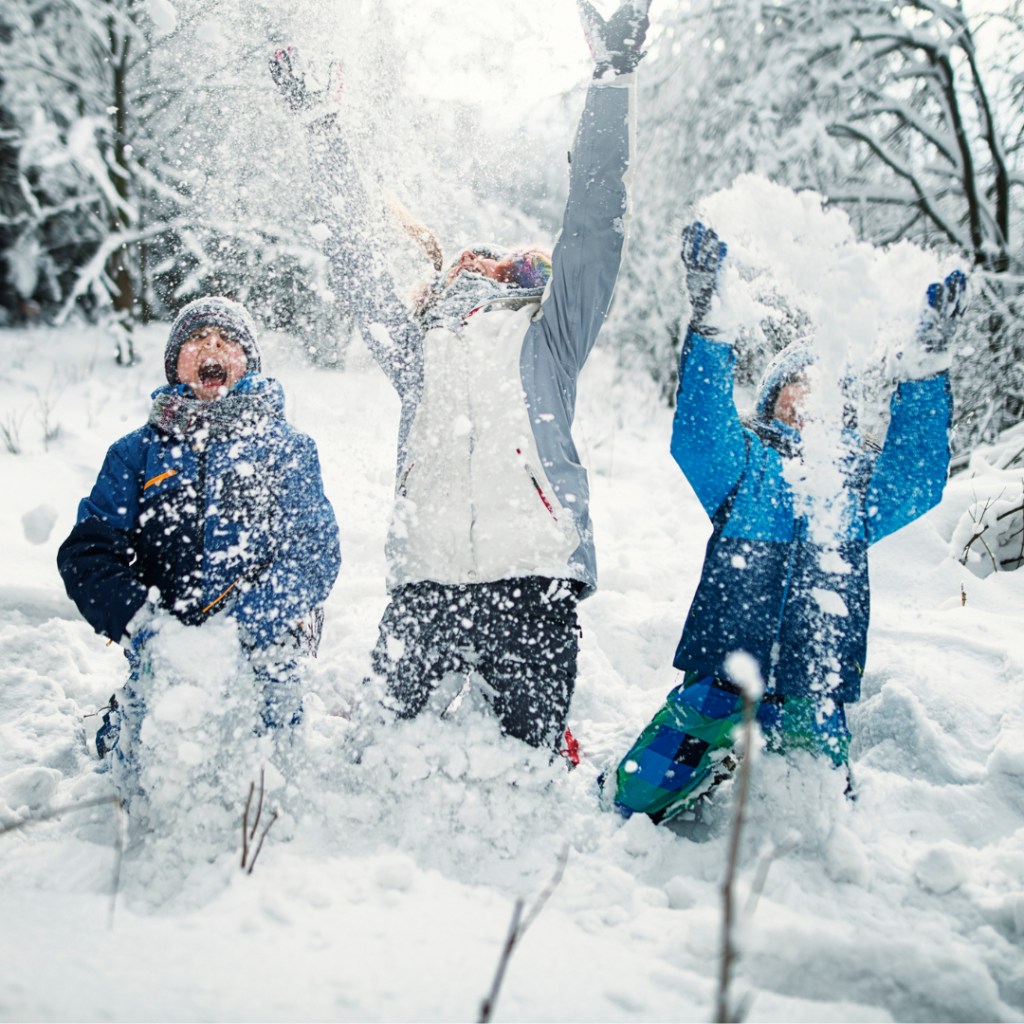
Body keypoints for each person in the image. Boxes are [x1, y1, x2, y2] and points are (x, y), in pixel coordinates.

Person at [268, 0, 651, 751]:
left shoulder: (550, 336)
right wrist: (320, 131)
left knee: (524, 773)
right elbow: (352, 262)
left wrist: (611, 83)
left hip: (532, 579)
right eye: (459, 260)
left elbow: (593, 225)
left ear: (516, 274)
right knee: (373, 758)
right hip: (425, 585)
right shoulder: (416, 352)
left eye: (489, 256)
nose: (471, 261)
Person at [612, 222, 964, 822]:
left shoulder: (856, 485)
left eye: (825, 387)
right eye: (796, 384)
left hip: (814, 680)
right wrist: (711, 331)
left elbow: (917, 477)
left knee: (819, 817)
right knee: (636, 796)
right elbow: (699, 434)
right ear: (774, 397)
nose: (809, 396)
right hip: (726, 671)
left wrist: (926, 372)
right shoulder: (746, 463)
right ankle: (703, 769)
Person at [57, 297, 341, 787]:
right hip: (165, 646)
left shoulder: (287, 448)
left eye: (228, 340)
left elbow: (315, 552)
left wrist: (251, 622)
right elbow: (88, 553)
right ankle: (124, 718)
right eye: (197, 338)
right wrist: (145, 626)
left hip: (264, 643)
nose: (212, 344)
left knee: (267, 777)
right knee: (144, 775)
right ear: (174, 365)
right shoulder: (135, 454)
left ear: (247, 364)